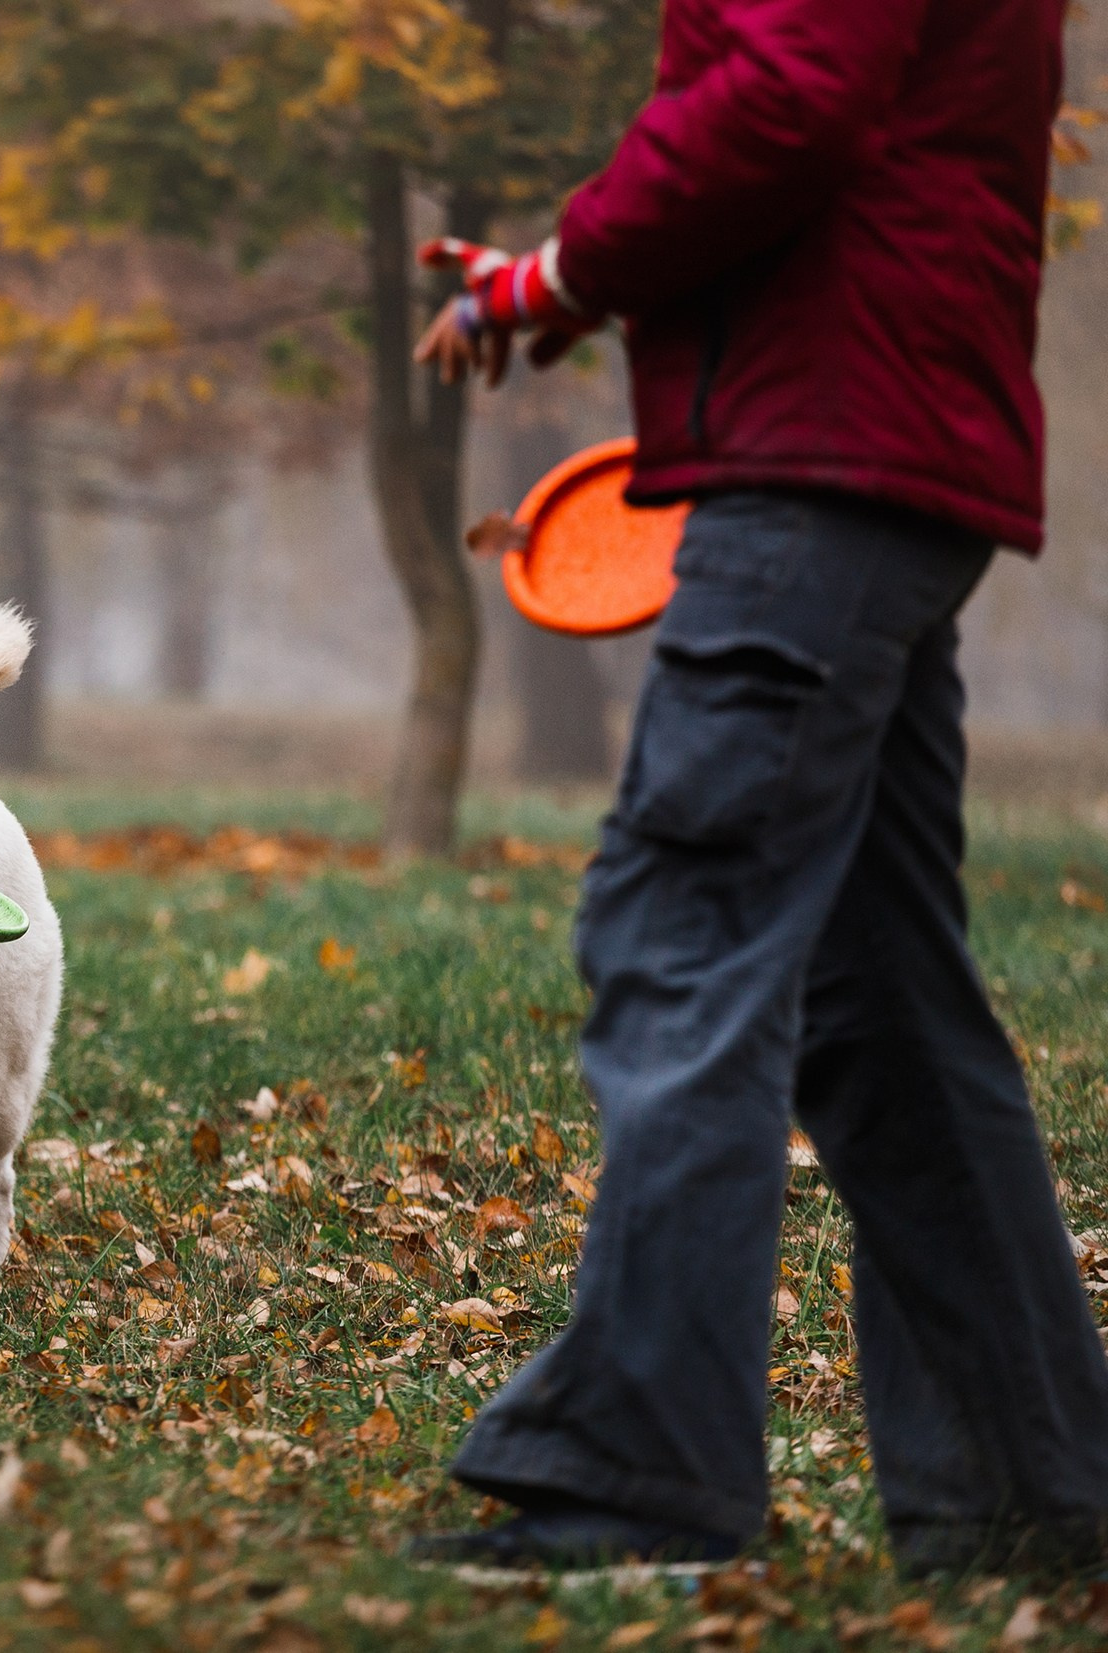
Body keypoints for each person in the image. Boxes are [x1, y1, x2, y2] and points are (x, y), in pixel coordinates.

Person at [403, 0, 1108, 1577]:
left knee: (681, 932)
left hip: (827, 461)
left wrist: (571, 269)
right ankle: (1035, 1495)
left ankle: (640, 1484)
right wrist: (561, 282)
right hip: (881, 443)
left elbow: (796, 90)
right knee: (884, 1004)